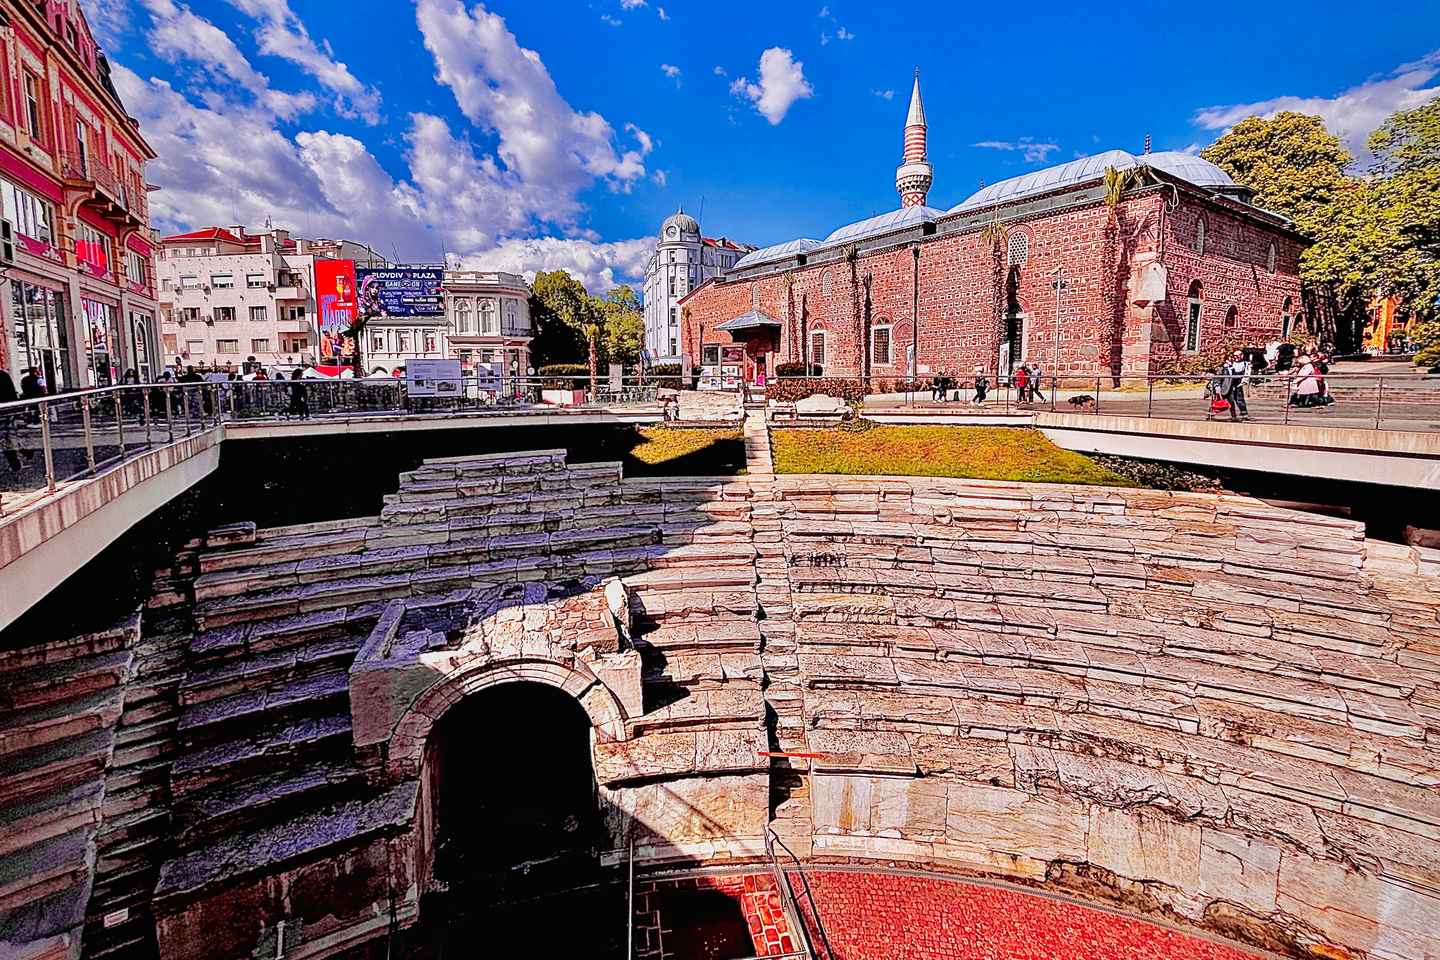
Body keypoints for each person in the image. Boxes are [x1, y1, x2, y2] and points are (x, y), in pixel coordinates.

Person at [0, 369, 29, 471]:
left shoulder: (3, 375)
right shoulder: (4, 375)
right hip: (7, 412)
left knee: (6, 438)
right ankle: (22, 454)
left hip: (4, 412)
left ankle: (17, 459)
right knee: (9, 436)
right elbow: (11, 394)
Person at [1224, 350, 1251, 420]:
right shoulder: (1230, 363)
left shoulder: (1246, 364)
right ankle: (1233, 415)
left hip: (1239, 383)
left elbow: (1247, 374)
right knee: (1230, 400)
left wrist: (1243, 382)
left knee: (1239, 399)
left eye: (1238, 356)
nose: (1236, 357)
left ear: (1241, 355)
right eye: (1234, 356)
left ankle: (1244, 414)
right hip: (1230, 383)